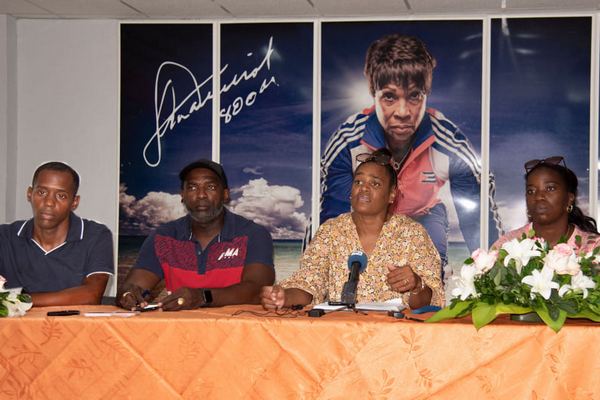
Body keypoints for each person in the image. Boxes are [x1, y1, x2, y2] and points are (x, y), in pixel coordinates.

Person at [318, 33, 503, 268]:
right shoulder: (348, 142)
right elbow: (329, 222)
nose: (403, 111)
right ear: (373, 94)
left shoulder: (448, 142)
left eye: (414, 96)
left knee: (429, 277)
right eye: (389, 97)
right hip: (368, 220)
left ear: (426, 95)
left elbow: (479, 222)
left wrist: (500, 282)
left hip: (424, 216)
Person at [262, 149, 444, 310]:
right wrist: (284, 297)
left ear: (392, 194)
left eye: (375, 184)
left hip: (395, 339)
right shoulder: (331, 231)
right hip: (340, 336)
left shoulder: (412, 234)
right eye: (358, 182)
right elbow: (309, 284)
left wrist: (416, 285)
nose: (363, 189)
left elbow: (431, 302)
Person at [118, 159, 275, 311]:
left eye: (211, 187)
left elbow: (257, 291)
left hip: (238, 332)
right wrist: (128, 295)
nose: (201, 195)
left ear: (225, 195)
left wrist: (202, 297)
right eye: (192, 188)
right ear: (183, 196)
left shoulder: (253, 234)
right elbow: (133, 286)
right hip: (180, 332)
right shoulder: (163, 237)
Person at [0, 162, 114, 306]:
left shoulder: (95, 235)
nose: (49, 202)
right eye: (42, 192)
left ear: (75, 202)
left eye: (61, 196)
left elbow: (91, 295)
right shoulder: (5, 236)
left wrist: (16, 301)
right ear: (30, 193)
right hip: (16, 328)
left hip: (73, 328)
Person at [493, 156, 600, 251]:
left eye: (550, 188)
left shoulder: (593, 247)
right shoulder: (507, 245)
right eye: (531, 191)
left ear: (569, 198)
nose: (539, 196)